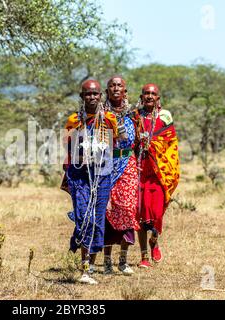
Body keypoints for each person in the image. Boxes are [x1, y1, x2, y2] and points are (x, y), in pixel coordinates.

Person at [64, 79, 117, 284]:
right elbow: (66, 147)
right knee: (83, 217)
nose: (92, 97)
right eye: (88, 94)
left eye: (95, 94)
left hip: (102, 174)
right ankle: (83, 258)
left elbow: (119, 143)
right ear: (82, 97)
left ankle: (88, 268)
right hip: (80, 175)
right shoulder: (74, 120)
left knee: (96, 220)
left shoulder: (110, 119)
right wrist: (81, 152)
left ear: (101, 96)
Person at [132, 83, 180, 268]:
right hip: (139, 168)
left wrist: (154, 147)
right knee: (140, 214)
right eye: (146, 93)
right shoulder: (135, 116)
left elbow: (171, 143)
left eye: (153, 94)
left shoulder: (165, 116)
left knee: (157, 212)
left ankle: (155, 240)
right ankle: (144, 256)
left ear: (158, 98)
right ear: (142, 96)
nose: (150, 96)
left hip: (159, 170)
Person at [102, 76, 140, 275]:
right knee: (106, 211)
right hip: (107, 165)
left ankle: (123, 261)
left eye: (119, 85)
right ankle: (107, 261)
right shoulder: (101, 113)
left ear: (125, 90)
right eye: (112, 85)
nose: (116, 88)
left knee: (127, 208)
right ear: (107, 90)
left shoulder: (133, 114)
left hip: (128, 165)